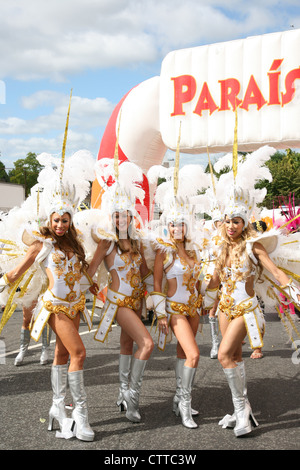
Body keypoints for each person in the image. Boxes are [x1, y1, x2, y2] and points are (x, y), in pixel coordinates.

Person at [205, 186, 300, 437]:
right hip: (225, 309)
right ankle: (240, 411)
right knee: (234, 358)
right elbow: (214, 284)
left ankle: (242, 412)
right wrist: (196, 282)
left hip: (247, 309)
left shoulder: (253, 246)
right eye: (228, 221)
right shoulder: (220, 249)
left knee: (224, 354)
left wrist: (296, 295)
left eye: (236, 222)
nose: (231, 226)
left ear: (244, 223)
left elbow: (276, 273)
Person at [86, 158, 154, 424]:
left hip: (136, 302)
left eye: (125, 214)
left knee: (127, 345)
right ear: (111, 217)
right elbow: (90, 271)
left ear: (131, 216)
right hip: (118, 303)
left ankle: (122, 391)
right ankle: (133, 397)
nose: (121, 218)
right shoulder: (107, 242)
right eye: (116, 215)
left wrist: (158, 297)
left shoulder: (136, 243)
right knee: (146, 344)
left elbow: (146, 274)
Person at [147, 161, 211, 429]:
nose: (176, 229)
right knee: (195, 354)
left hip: (194, 308)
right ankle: (184, 403)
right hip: (174, 309)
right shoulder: (164, 251)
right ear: (168, 226)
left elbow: (198, 283)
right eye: (172, 225)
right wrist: (160, 313)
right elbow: (157, 282)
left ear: (187, 226)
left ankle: (177, 398)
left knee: (183, 353)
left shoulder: (194, 252)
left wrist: (206, 301)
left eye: (180, 225)